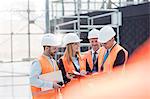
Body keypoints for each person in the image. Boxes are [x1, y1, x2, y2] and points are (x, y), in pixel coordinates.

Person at [30, 33, 62, 99]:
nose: (56, 50)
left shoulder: (53, 61)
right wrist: (51, 85)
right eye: (54, 48)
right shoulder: (38, 62)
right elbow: (33, 80)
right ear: (47, 48)